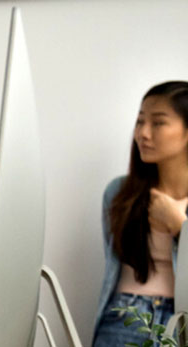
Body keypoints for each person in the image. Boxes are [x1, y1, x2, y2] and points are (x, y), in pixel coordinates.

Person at [93, 81, 188, 346]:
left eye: (158, 123)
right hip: (126, 315)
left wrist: (179, 225)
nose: (143, 133)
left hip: (182, 321)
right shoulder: (118, 193)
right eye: (140, 122)